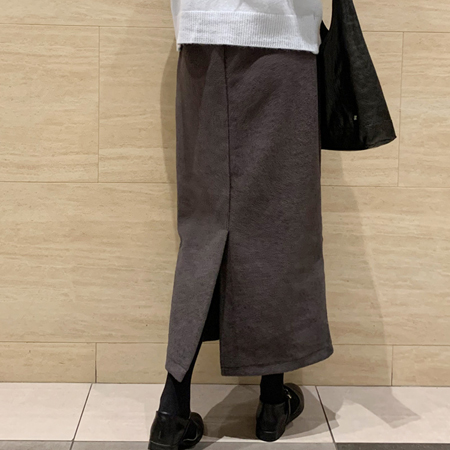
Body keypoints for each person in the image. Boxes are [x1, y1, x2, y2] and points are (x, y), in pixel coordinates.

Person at [148, 1, 334, 448]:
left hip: (202, 35)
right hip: (282, 41)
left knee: (206, 222)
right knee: (281, 223)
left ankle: (172, 410)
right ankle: (271, 402)